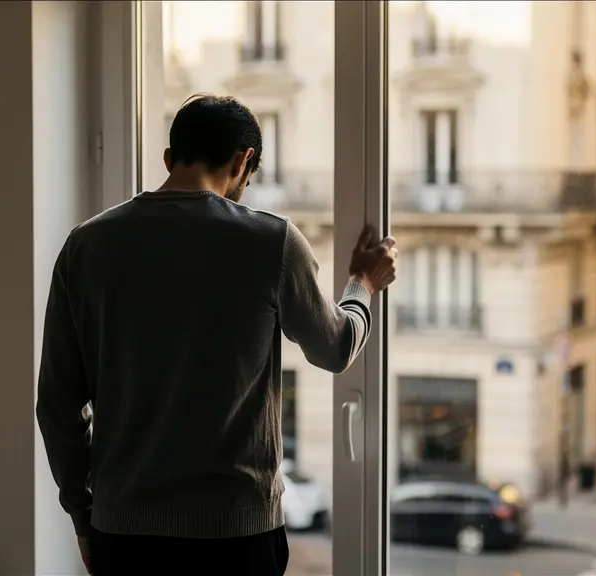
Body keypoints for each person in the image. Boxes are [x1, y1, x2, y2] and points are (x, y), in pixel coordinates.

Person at [35, 94, 398, 575]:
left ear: (169, 158)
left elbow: (57, 405)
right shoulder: (271, 240)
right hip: (238, 535)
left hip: (123, 533)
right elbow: (336, 348)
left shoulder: (86, 244)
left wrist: (83, 515)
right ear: (244, 161)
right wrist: (363, 284)